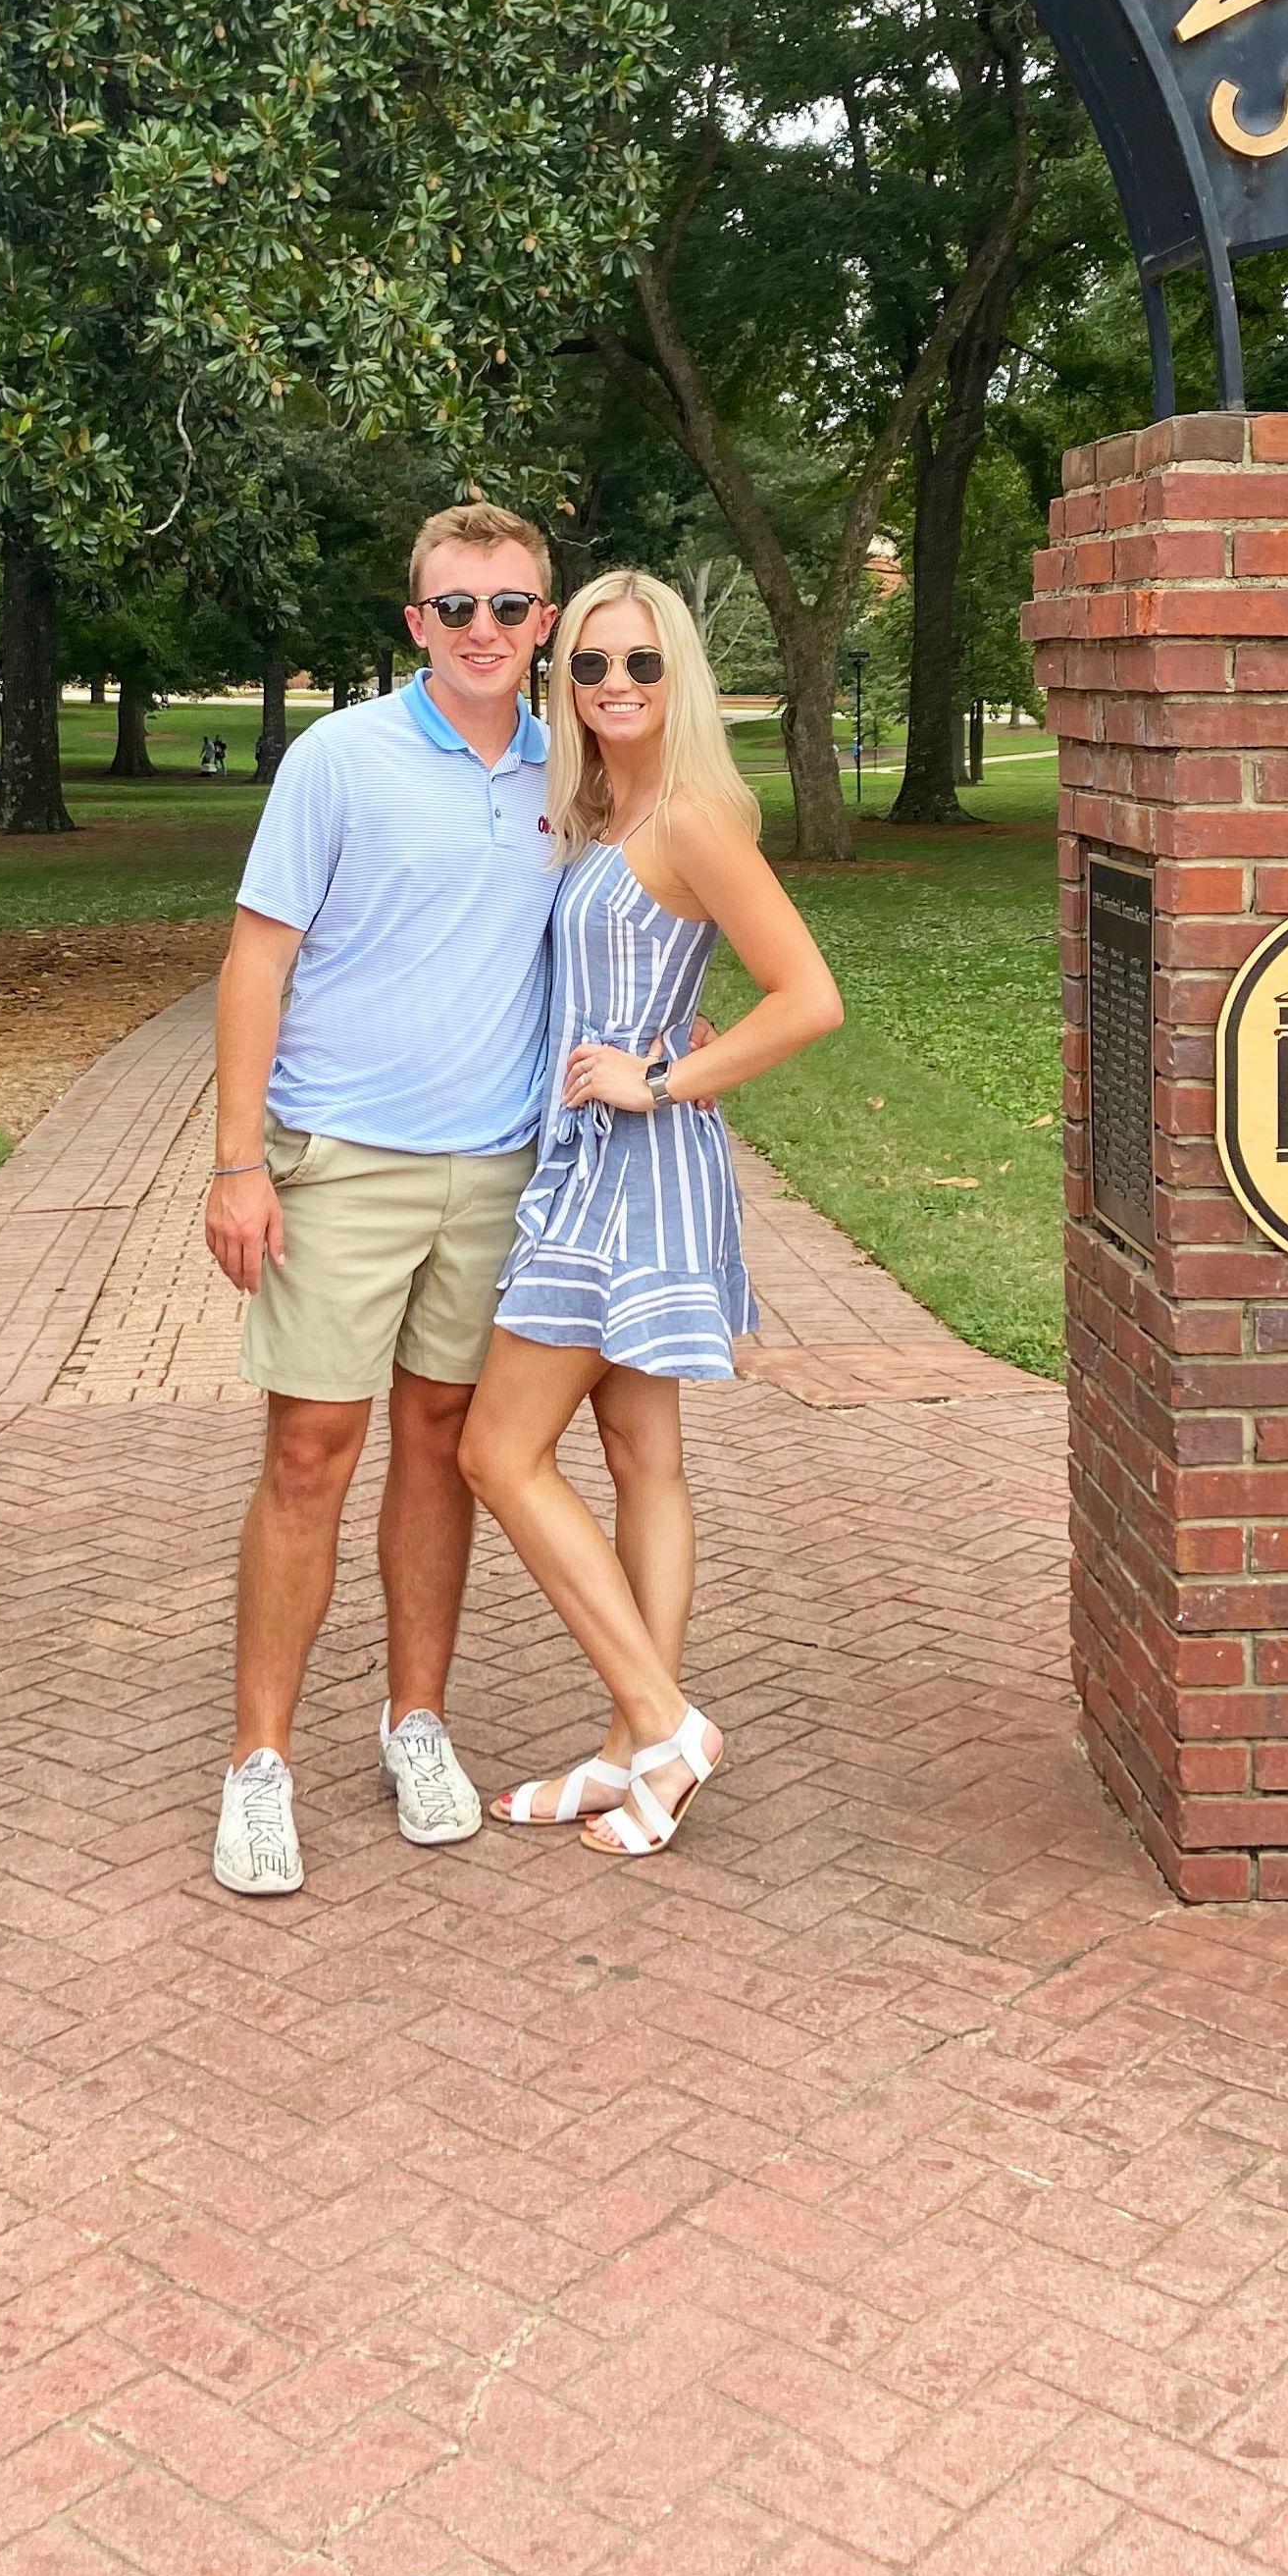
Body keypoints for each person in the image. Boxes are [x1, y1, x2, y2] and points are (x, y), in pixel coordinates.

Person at [199, 501, 568, 1896]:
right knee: (310, 1454)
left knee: (443, 1445)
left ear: (545, 619)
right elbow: (256, 961)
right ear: (415, 622)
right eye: (456, 606)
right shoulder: (336, 759)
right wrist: (240, 1161)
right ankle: (260, 1763)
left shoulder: (569, 764)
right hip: (341, 1158)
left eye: (512, 606)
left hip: (499, 1169)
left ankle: (417, 1723)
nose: (486, 630)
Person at [457, 568, 844, 1861]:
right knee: (639, 1455)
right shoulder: (606, 812)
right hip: (603, 1157)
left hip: (633, 1161)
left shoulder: (690, 819)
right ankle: (636, 1759)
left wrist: (664, 1073)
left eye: (640, 665)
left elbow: (809, 996)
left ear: (678, 678)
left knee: (497, 1452)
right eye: (590, 666)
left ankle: (663, 1722)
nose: (613, 686)